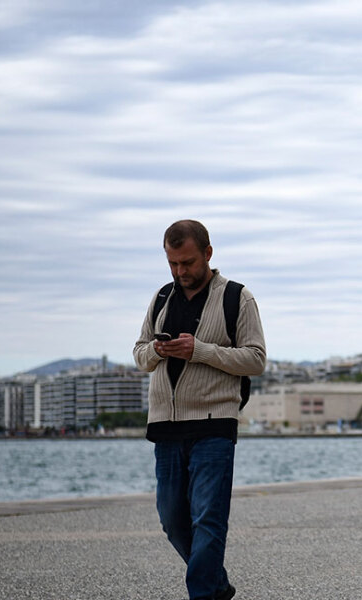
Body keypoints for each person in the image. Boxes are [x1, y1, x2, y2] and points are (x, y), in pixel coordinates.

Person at [134, 220, 267, 600]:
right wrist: (157, 351)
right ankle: (217, 586)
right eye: (173, 263)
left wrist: (200, 350)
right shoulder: (162, 298)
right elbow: (139, 354)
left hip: (214, 425)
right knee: (173, 522)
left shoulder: (237, 298)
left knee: (207, 519)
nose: (180, 272)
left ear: (208, 254)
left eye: (187, 263)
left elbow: (256, 360)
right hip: (165, 426)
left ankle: (204, 594)